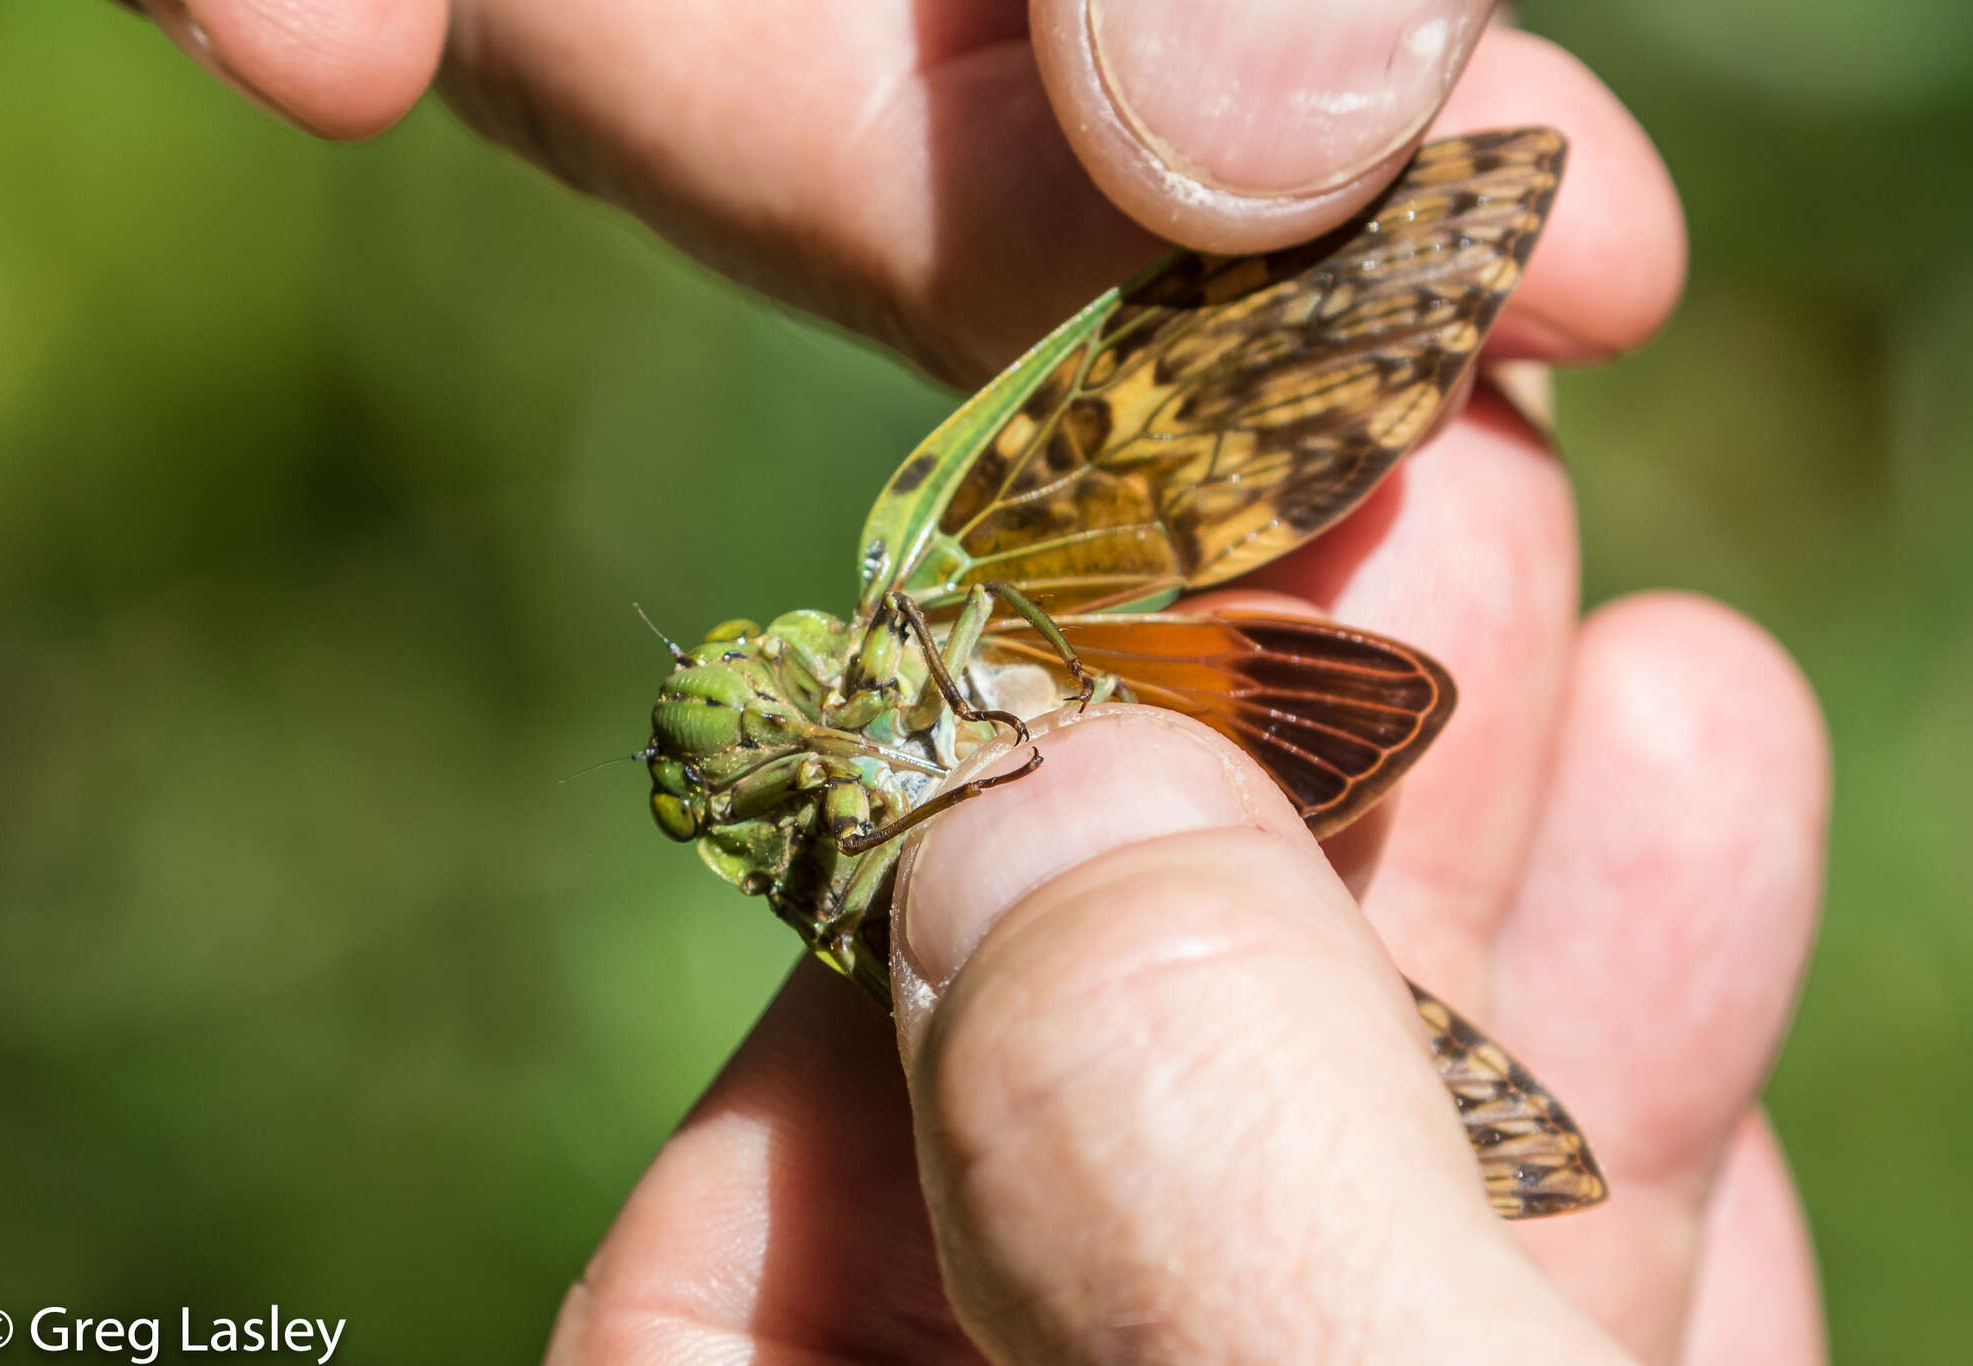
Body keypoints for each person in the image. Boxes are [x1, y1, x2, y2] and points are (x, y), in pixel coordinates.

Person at [114, 2, 1830, 1360]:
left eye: (750, 698)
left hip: (1144, 640)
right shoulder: (841, 846)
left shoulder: (910, 585)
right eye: (729, 756)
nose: (759, 708)